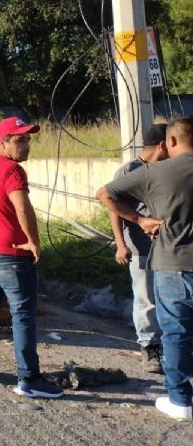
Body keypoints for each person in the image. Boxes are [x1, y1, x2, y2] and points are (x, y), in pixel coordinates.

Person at [0, 116, 64, 399]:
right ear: (3, 142)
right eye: (20, 140)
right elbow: (23, 209)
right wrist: (34, 241)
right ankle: (29, 379)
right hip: (13, 256)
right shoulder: (12, 172)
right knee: (23, 316)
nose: (26, 145)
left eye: (28, 139)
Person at [97, 117, 193, 421]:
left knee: (176, 331)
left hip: (172, 263)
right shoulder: (134, 168)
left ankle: (180, 400)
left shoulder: (155, 172)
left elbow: (105, 194)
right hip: (155, 257)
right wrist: (122, 240)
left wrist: (140, 221)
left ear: (172, 141)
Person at [108, 123, 168, 373]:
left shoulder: (165, 169)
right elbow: (113, 206)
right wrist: (120, 244)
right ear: (163, 145)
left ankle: (170, 348)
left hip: (166, 248)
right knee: (146, 301)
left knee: (167, 300)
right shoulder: (130, 170)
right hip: (140, 248)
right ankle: (150, 350)